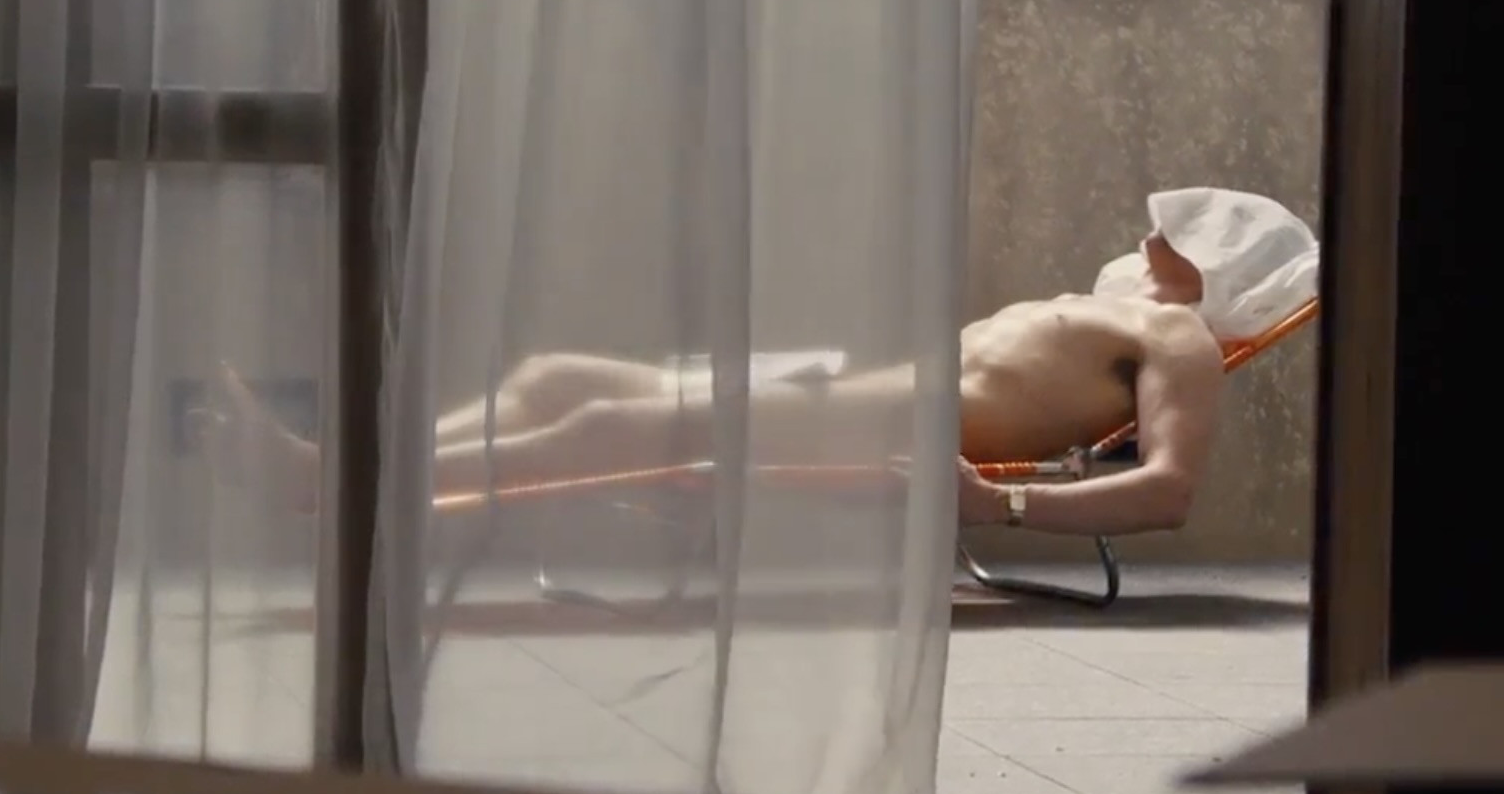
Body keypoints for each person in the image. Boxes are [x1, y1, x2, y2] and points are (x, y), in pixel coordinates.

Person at [205, 226, 1229, 538]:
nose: (1156, 228)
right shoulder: (1093, 305)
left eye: (1192, 228)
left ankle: (327, 481)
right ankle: (353, 464)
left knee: (602, 422)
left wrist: (997, 503)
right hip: (833, 390)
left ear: (1214, 271)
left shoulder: (1178, 336)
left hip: (883, 422)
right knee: (555, 376)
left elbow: (1169, 491)